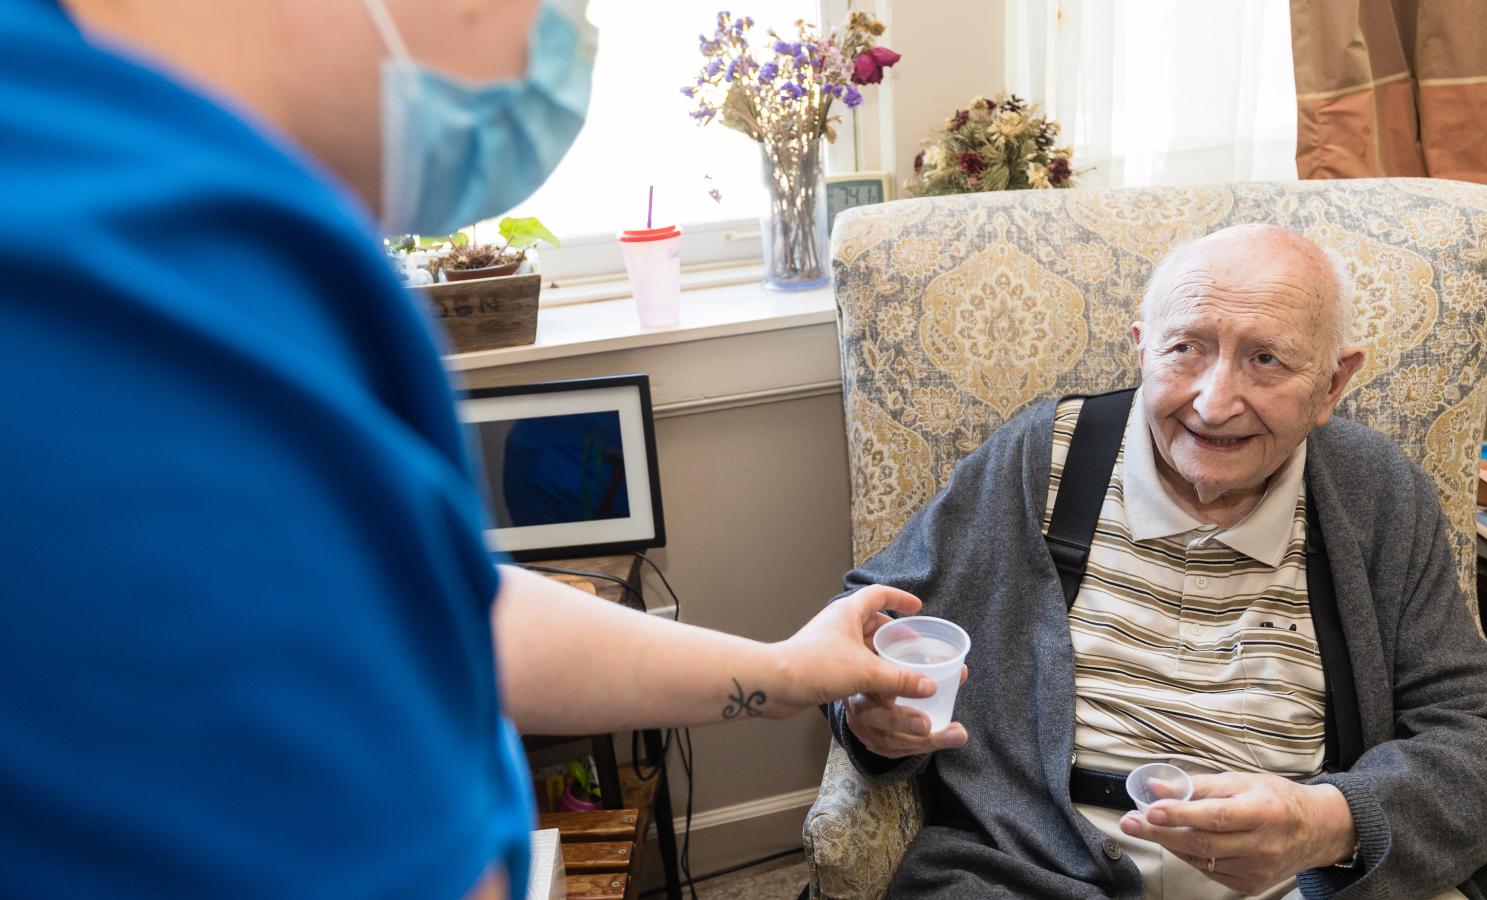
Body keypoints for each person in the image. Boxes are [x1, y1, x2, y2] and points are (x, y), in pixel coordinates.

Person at [0, 1, 940, 897]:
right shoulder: (150, 276)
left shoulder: (85, 141)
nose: (566, 45)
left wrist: (783, 674)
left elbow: (455, 608)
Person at [829, 225, 1487, 899]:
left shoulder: (1376, 493)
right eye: (1186, 349)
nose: (1214, 402)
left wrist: (1327, 822)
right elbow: (869, 624)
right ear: (1142, 349)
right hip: (1036, 870)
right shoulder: (1043, 458)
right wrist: (869, 713)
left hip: (1299, 881)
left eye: (1267, 359)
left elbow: (1481, 736)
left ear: (1332, 384)